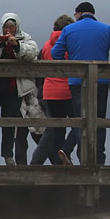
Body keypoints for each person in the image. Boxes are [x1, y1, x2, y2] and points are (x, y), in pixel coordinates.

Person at [50, 2, 110, 165]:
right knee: (99, 120)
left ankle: (83, 158)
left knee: (81, 120)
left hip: (76, 81)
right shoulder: (106, 29)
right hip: (100, 80)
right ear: (92, 13)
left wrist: (69, 66)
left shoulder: (68, 30)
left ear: (78, 14)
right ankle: (98, 158)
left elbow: (55, 53)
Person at [0, 13, 38, 166]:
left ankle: (8, 156)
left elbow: (32, 54)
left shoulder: (25, 38)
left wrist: (16, 45)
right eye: (6, 26)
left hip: (13, 87)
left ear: (16, 27)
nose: (8, 30)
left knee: (9, 122)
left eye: (11, 26)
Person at [30, 15, 76, 165]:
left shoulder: (46, 46)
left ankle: (40, 161)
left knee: (54, 129)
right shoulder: (69, 43)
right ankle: (64, 151)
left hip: (49, 91)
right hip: (67, 90)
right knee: (80, 124)